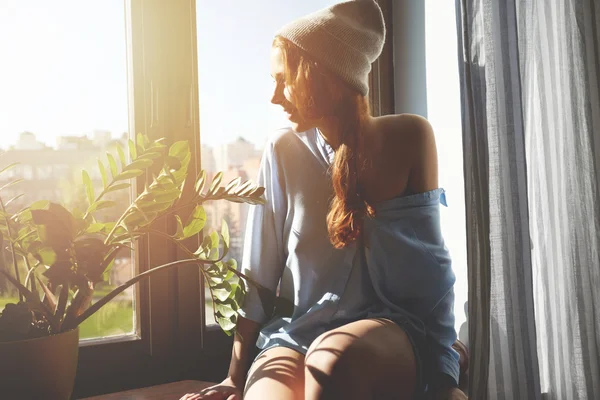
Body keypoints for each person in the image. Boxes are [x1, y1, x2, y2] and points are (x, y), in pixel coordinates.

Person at [182, 1, 466, 399]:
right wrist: (234, 376)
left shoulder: (410, 138)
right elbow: (260, 275)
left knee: (331, 362)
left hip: (391, 333)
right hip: (297, 334)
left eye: (284, 79)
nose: (274, 96)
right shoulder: (281, 150)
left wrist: (444, 378)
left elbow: (432, 272)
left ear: (322, 75)